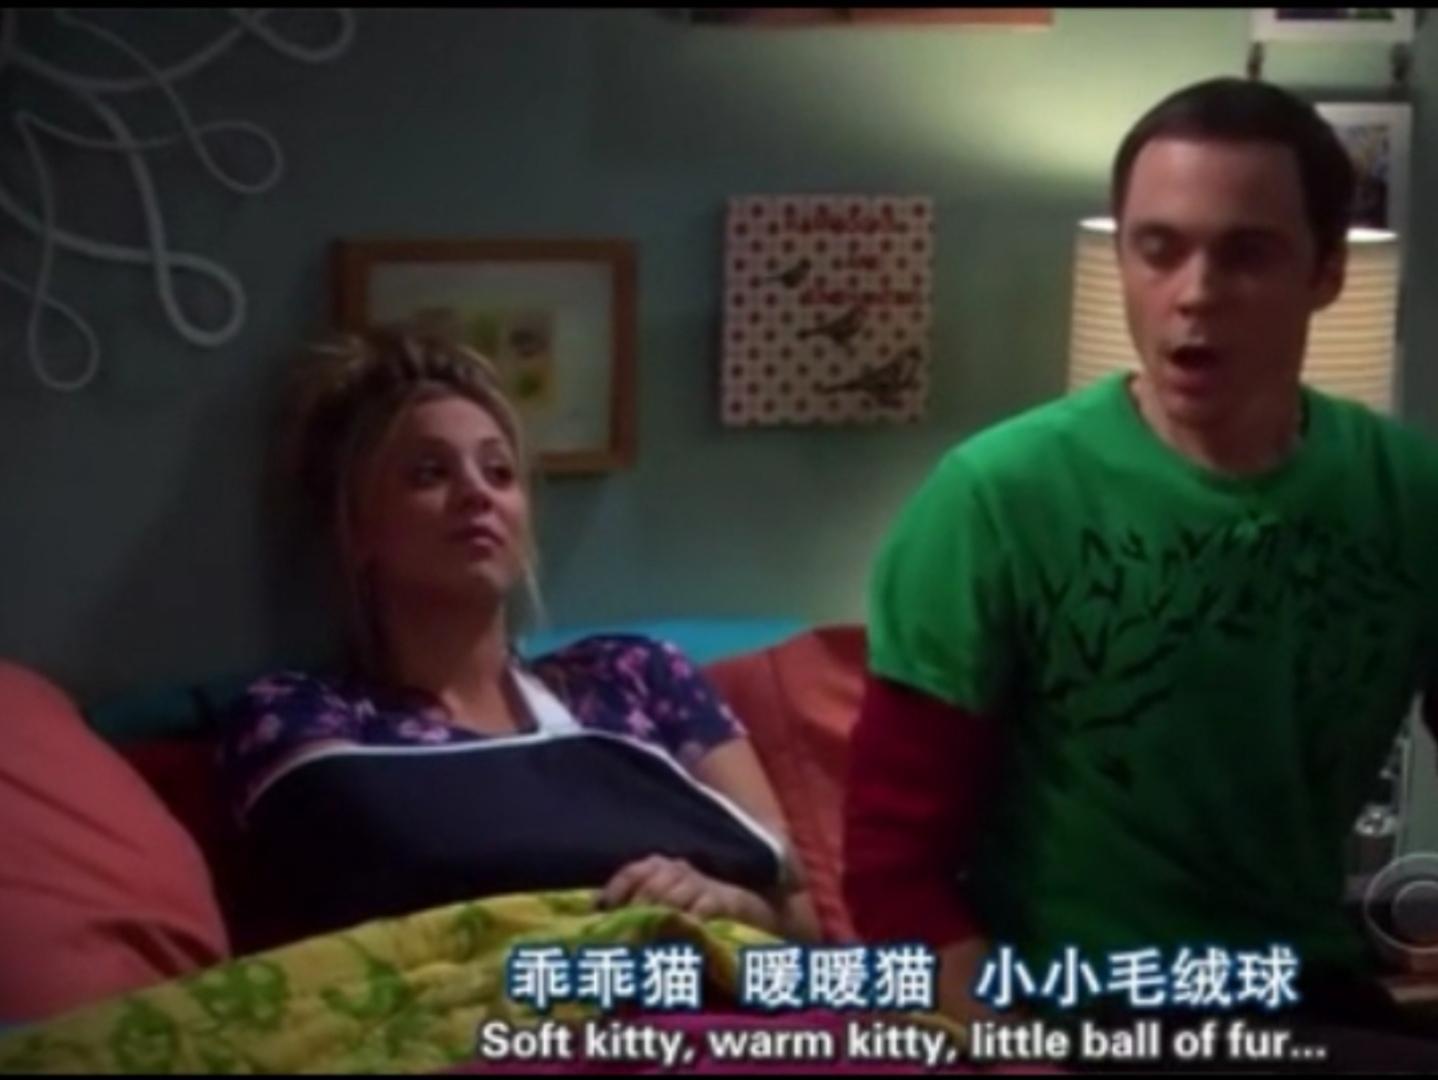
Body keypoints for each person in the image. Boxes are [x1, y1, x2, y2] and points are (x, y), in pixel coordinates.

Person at [843, 75, 1438, 1048]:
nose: (1193, 294)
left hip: (1306, 996)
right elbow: (890, 870)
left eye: (1246, 254)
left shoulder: (1410, 494)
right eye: (1158, 249)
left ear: (1326, 272)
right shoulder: (994, 498)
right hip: (1072, 1010)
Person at [219, 327, 817, 942]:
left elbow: (798, 913)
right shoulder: (299, 716)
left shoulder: (637, 676)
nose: (477, 493)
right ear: (357, 529)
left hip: (699, 986)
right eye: (429, 473)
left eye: (499, 472)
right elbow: (376, 878)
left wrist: (726, 900)